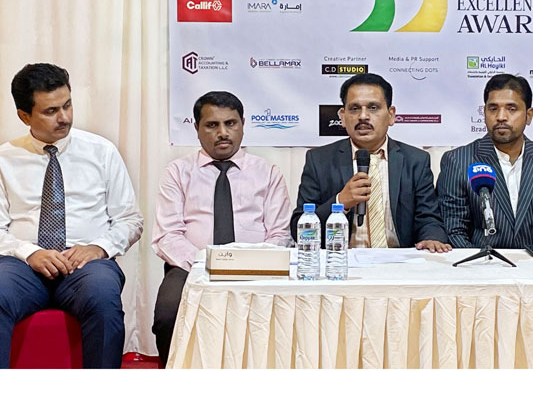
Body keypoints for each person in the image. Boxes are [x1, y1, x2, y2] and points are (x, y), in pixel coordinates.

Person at [0, 63, 143, 369]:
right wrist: (29, 252)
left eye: (67, 105)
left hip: (86, 265)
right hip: (22, 266)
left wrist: (98, 247)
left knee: (103, 295)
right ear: (24, 116)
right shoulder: (4, 159)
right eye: (51, 111)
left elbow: (130, 220)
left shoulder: (101, 151)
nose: (64, 117)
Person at [152, 91, 292, 367]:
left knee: (283, 313)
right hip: (191, 267)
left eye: (230, 123)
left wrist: (250, 264)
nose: (223, 133)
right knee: (168, 314)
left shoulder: (267, 172)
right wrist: (208, 265)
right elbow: (168, 235)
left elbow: (280, 233)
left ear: (243, 124)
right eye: (212, 125)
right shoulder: (178, 172)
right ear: (196, 128)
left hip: (257, 267)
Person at [290, 73, 450, 252]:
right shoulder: (319, 160)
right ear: (342, 116)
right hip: (341, 259)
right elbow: (299, 229)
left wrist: (431, 238)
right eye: (354, 108)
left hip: (398, 260)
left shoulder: (415, 160)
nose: (363, 116)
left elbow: (429, 218)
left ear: (391, 115)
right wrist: (340, 202)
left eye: (373, 108)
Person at [437, 74, 533, 249]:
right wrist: (479, 263)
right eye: (493, 108)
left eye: (511, 109)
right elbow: (454, 230)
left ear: (529, 115)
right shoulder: (458, 161)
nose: (501, 116)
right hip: (480, 262)